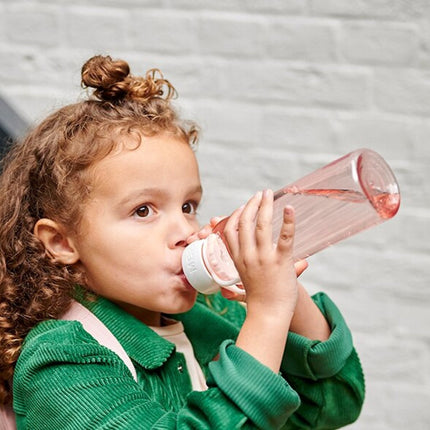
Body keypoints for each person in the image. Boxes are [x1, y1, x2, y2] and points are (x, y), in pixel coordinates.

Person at [0, 55, 365, 429]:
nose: (185, 231)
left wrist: (287, 297)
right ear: (61, 242)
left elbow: (332, 405)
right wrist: (268, 314)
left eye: (188, 205)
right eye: (144, 210)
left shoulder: (211, 317)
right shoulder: (63, 361)